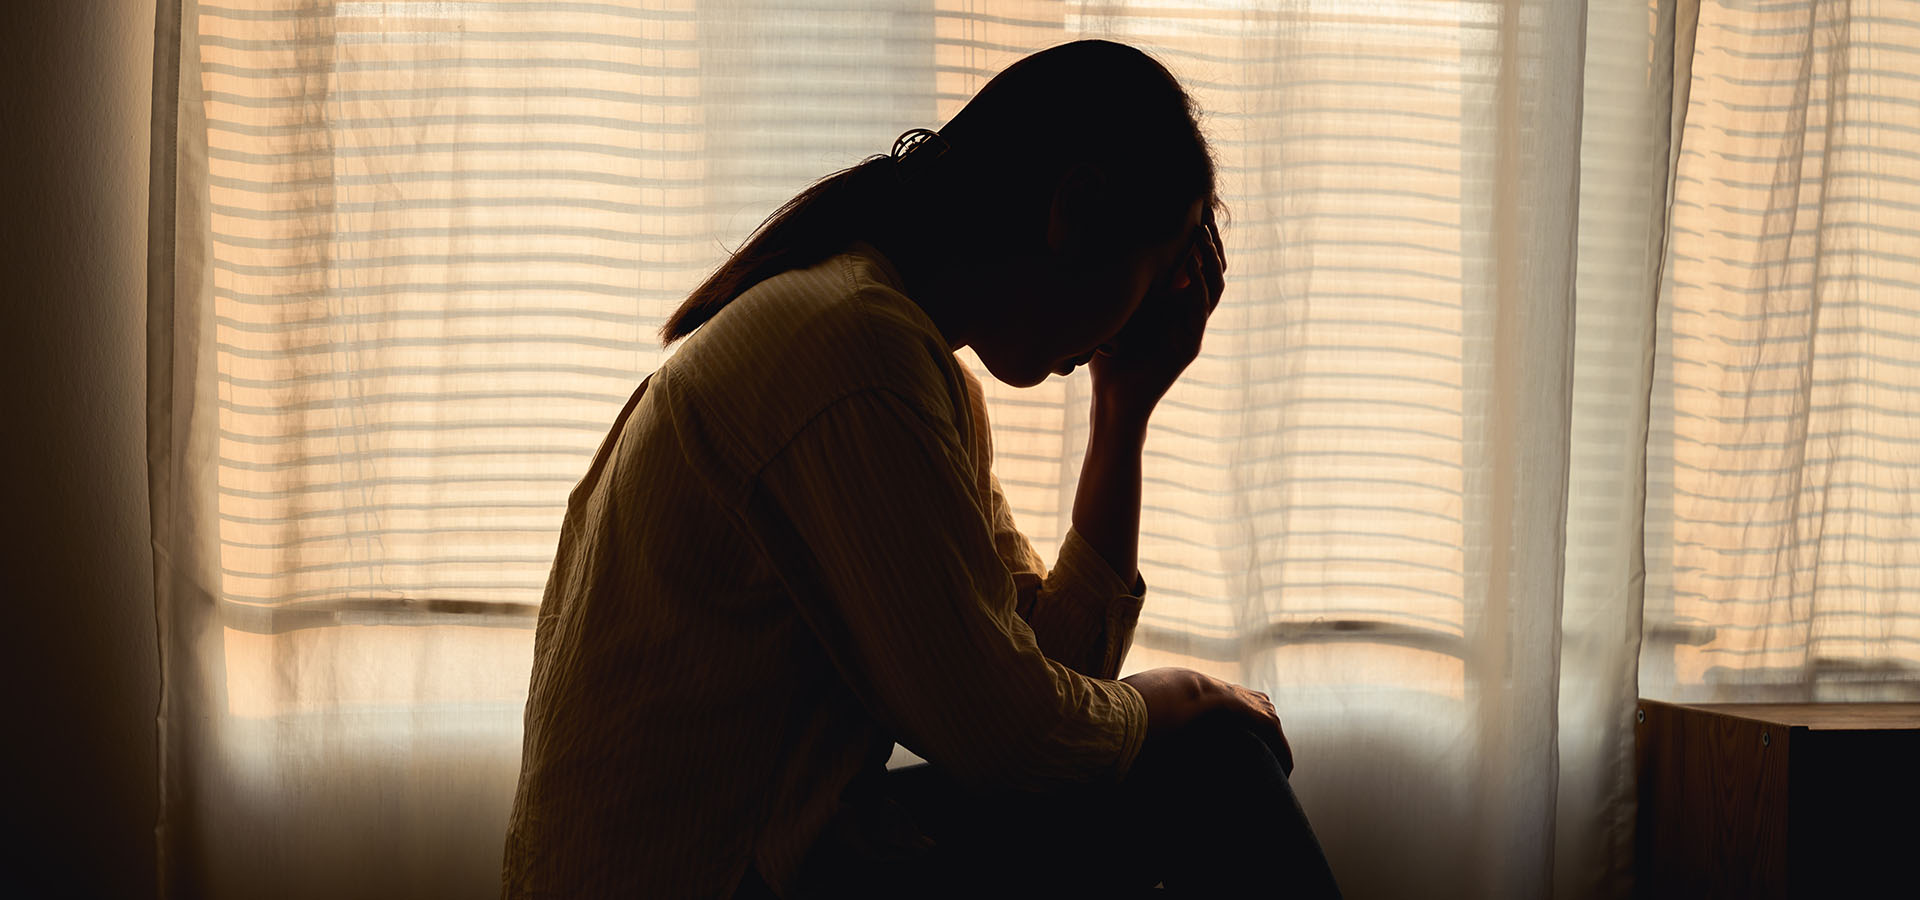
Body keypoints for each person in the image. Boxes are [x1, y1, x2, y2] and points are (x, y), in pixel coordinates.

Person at [502, 39, 1341, 899]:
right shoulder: (852, 349)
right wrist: (1183, 696)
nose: (1130, 327)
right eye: (1156, 276)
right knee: (1213, 762)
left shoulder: (901, 358)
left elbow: (1055, 685)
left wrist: (1121, 413)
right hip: (708, 877)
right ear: (1075, 209)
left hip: (772, 855)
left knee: (1193, 760)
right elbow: (1012, 741)